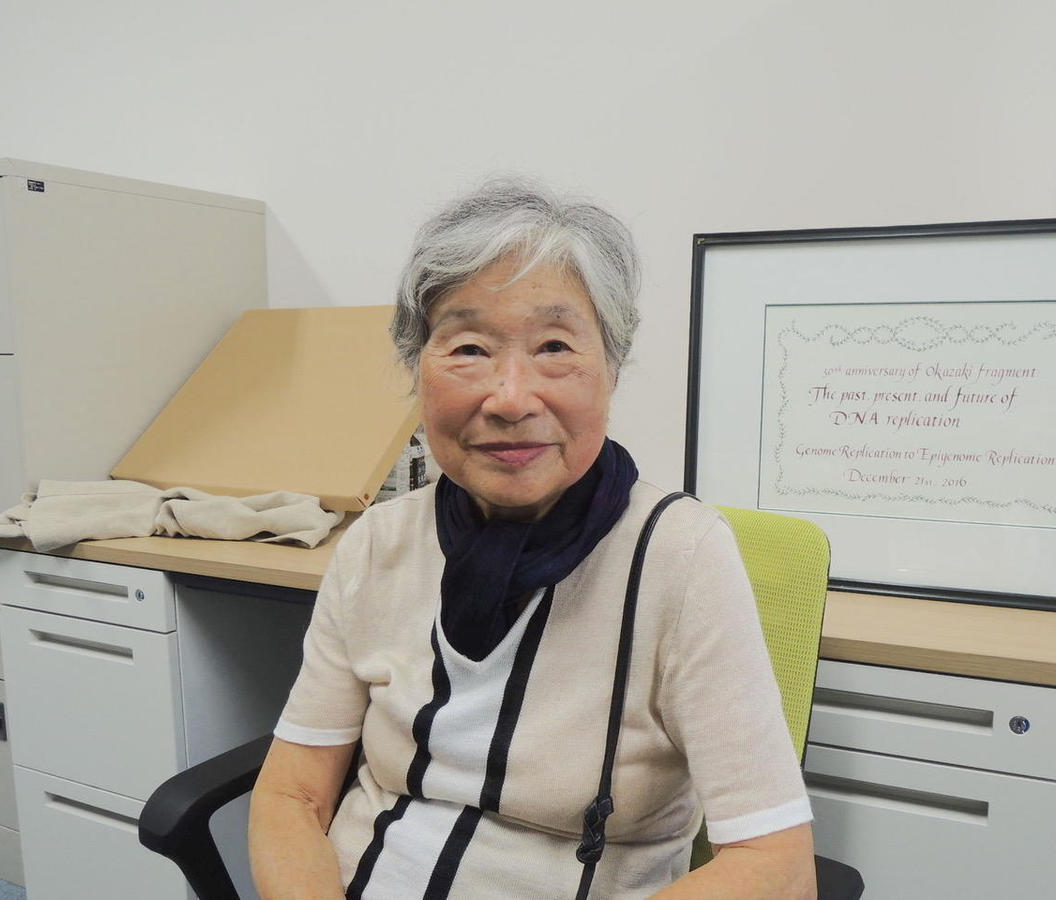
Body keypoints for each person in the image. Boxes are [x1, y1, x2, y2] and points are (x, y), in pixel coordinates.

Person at [248, 178, 816, 899]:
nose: (511, 398)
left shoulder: (680, 557)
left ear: (610, 368)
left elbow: (779, 867)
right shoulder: (377, 543)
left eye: (554, 346)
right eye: (469, 348)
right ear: (415, 369)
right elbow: (290, 796)